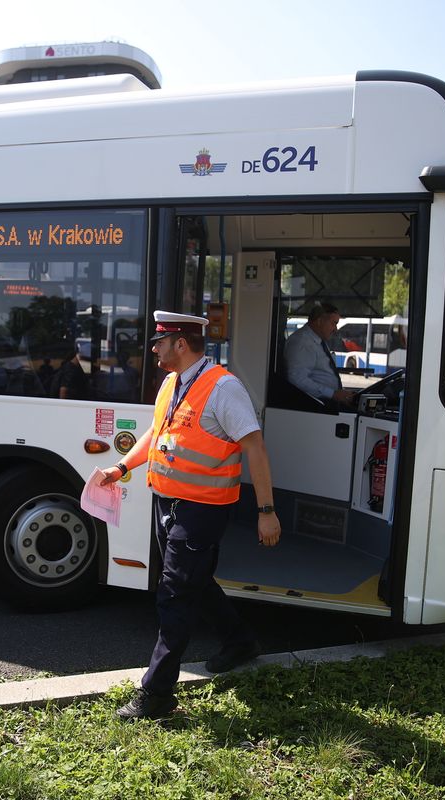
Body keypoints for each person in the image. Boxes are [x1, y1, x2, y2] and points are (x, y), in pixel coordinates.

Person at [100, 310, 281, 720]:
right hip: (168, 503)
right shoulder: (171, 382)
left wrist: (266, 511)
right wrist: (122, 467)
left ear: (181, 344)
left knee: (174, 594)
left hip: (202, 510)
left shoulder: (223, 388)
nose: (153, 348)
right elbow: (157, 433)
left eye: (159, 341)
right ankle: (240, 641)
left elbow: (255, 447)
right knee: (192, 582)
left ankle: (157, 694)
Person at [284, 303, 356, 406]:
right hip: (313, 406)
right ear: (319, 321)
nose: (335, 329)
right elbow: (297, 379)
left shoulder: (318, 341)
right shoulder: (302, 342)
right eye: (333, 323)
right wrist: (333, 394)